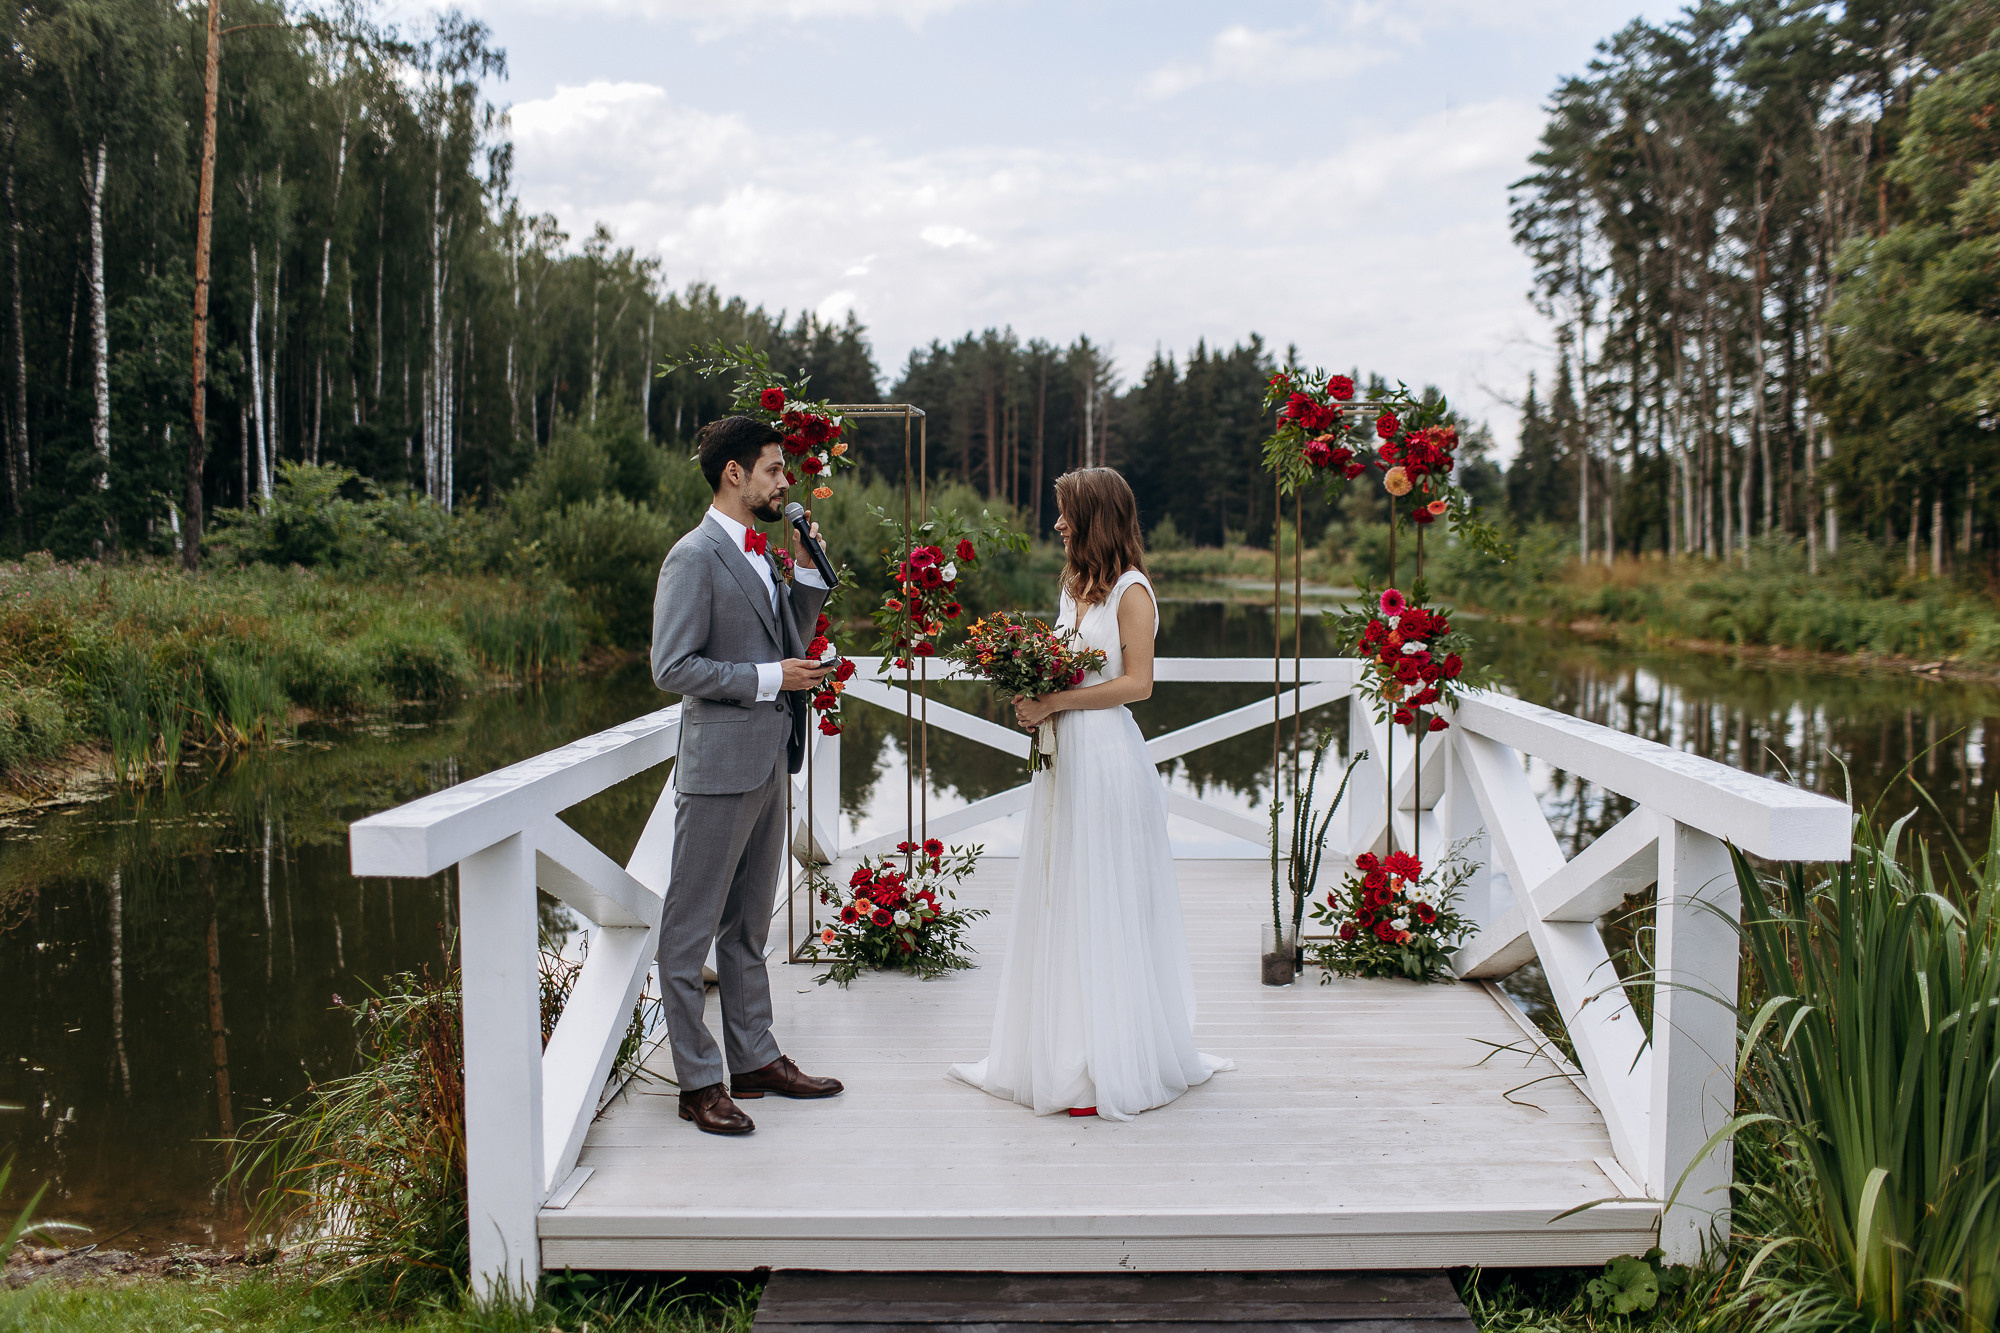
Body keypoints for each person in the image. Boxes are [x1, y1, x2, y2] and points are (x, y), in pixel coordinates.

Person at [949, 467, 1232, 1121]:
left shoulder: (1132, 592)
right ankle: (1059, 1050)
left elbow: (1138, 684)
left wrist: (1057, 699)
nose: (1057, 524)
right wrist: (1030, 691)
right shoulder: (1073, 583)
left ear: (1094, 516)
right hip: (1064, 758)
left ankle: (1107, 1063)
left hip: (1107, 758)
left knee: (1103, 898)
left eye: (1065, 512)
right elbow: (1058, 654)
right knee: (1063, 894)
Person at [650, 415, 844, 1136]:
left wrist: (804, 572)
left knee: (747, 929)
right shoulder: (692, 557)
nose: (784, 481)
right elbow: (672, 666)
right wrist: (773, 676)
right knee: (686, 932)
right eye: (772, 469)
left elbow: (788, 639)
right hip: (717, 767)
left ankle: (754, 1057)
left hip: (769, 760)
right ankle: (698, 1081)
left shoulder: (761, 554)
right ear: (734, 473)